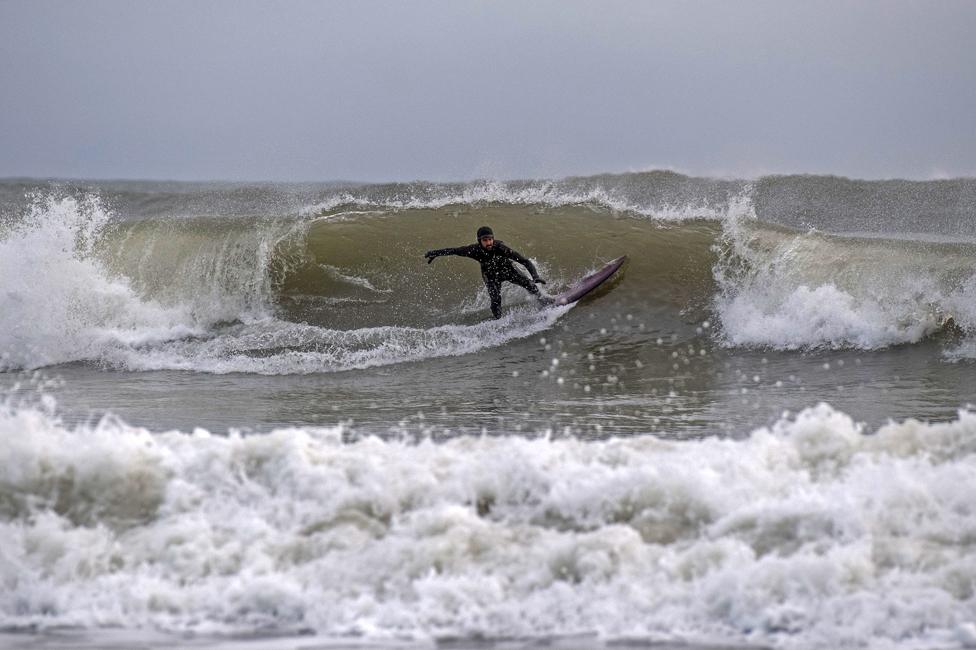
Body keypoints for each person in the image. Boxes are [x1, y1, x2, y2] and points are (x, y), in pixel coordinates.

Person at [425, 226, 552, 319]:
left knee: (530, 285)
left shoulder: (501, 248)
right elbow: (454, 250)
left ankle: (544, 302)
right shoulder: (474, 250)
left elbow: (525, 261)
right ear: (479, 241)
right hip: (491, 276)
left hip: (508, 270)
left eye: (490, 239)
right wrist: (434, 253)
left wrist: (535, 276)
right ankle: (498, 320)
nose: (489, 242)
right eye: (485, 240)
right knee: (495, 300)